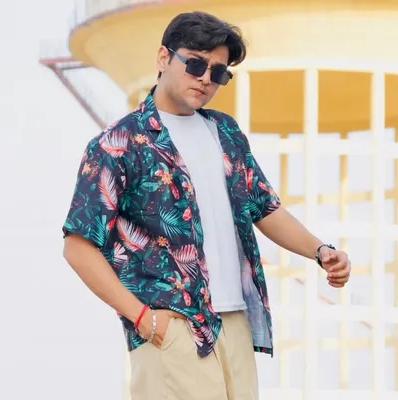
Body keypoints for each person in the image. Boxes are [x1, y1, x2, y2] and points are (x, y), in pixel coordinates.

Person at [62, 10, 351, 400]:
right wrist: (143, 318)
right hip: (172, 327)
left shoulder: (225, 132)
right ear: (164, 57)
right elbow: (77, 245)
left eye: (218, 72)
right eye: (195, 64)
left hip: (235, 322)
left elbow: (265, 207)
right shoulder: (119, 143)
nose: (205, 78)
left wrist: (320, 251)